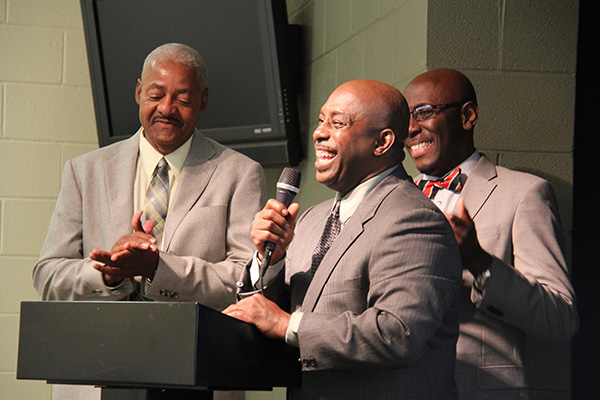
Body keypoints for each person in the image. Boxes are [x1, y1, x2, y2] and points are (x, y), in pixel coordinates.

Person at [33, 43, 265, 400]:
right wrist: (109, 274)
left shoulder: (239, 173)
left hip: (198, 379)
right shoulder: (85, 171)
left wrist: (159, 268)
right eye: (155, 94)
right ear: (139, 92)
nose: (166, 109)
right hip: (95, 380)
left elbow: (244, 281)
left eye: (183, 99)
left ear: (203, 101)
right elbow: (48, 275)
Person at [225, 79, 463, 399]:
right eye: (321, 120)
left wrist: (288, 325)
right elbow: (270, 315)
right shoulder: (310, 220)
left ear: (382, 142)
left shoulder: (414, 220)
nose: (319, 133)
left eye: (337, 123)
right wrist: (269, 261)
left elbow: (397, 334)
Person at [403, 68, 579, 399]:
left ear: (467, 116)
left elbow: (559, 320)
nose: (411, 128)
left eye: (423, 112)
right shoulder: (393, 200)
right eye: (405, 118)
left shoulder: (525, 193)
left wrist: (479, 261)